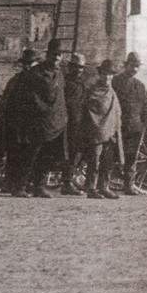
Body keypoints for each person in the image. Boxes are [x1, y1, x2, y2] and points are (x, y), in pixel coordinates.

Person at [14, 39, 68, 198]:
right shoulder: (35, 73)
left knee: (48, 156)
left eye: (59, 55)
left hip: (55, 124)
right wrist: (40, 111)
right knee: (30, 155)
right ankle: (20, 186)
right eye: (54, 54)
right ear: (47, 54)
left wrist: (62, 117)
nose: (56, 57)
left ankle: (39, 185)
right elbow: (28, 97)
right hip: (37, 123)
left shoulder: (59, 74)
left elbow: (60, 98)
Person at [0, 47, 38, 196]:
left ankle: (21, 184)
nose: (27, 66)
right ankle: (11, 183)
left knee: (26, 155)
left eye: (31, 64)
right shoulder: (15, 80)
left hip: (30, 124)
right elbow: (6, 103)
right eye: (26, 64)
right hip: (15, 123)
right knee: (14, 153)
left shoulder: (38, 81)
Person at [76, 59, 123, 199]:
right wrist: (96, 126)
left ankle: (104, 187)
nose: (107, 77)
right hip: (96, 131)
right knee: (94, 161)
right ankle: (91, 188)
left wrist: (115, 127)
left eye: (110, 75)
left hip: (110, 131)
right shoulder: (92, 90)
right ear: (100, 74)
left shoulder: (112, 92)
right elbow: (88, 111)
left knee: (107, 162)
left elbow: (116, 111)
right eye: (105, 74)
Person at [111, 51, 147, 195]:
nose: (134, 69)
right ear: (126, 65)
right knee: (112, 154)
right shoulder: (116, 82)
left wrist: (145, 125)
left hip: (135, 126)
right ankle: (105, 184)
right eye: (132, 66)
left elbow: (145, 107)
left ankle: (129, 185)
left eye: (137, 66)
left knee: (131, 156)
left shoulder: (140, 86)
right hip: (118, 125)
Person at [60, 53, 90, 196]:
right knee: (68, 153)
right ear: (70, 67)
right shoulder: (65, 82)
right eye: (76, 67)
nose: (79, 70)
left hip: (79, 122)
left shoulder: (81, 83)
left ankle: (69, 180)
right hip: (67, 122)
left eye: (81, 68)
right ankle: (66, 183)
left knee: (76, 152)